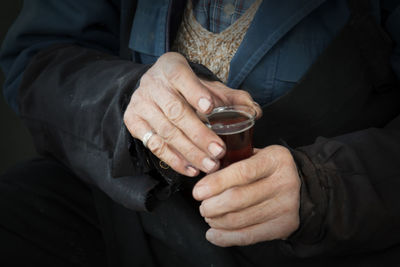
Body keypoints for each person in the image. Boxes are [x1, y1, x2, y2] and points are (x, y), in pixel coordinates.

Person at [1, 0, 400, 266]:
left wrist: (323, 186)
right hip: (124, 210)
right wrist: (129, 99)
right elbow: (38, 56)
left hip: (318, 245)